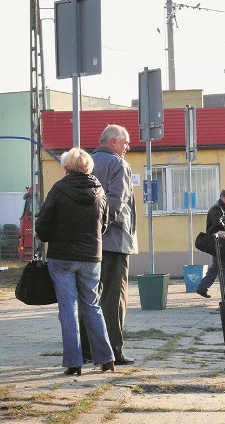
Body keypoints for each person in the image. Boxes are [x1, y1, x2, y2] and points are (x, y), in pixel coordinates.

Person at [35, 148, 115, 376]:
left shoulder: (59, 189)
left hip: (62, 258)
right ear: (89, 166)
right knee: (92, 306)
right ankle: (106, 358)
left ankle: (74, 363)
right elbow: (105, 224)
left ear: (66, 167)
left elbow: (42, 225)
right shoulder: (100, 192)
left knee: (68, 309)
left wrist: (51, 236)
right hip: (91, 258)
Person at [81, 124, 137, 366]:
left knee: (89, 297)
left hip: (87, 244)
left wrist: (90, 232)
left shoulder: (86, 163)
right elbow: (115, 202)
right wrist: (101, 228)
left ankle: (87, 350)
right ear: (113, 141)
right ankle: (114, 350)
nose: (127, 147)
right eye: (125, 142)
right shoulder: (119, 165)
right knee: (114, 297)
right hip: (113, 241)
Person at [196, 188, 225, 300]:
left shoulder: (222, 208)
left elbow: (220, 223)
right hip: (219, 243)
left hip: (220, 242)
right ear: (222, 197)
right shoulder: (216, 209)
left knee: (216, 267)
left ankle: (202, 288)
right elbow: (217, 223)